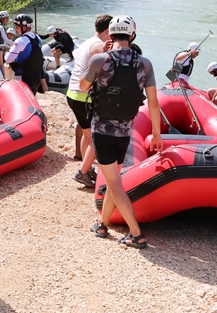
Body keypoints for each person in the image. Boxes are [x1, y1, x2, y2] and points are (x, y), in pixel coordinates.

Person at [80, 15, 162, 249]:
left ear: (110, 34)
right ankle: (102, 224)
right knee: (113, 179)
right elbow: (153, 103)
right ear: (132, 35)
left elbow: (83, 87)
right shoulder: (145, 64)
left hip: (102, 130)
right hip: (125, 131)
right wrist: (156, 134)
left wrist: (99, 62)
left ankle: (136, 234)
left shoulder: (100, 59)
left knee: (114, 182)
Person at [66, 14, 112, 187]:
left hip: (73, 94)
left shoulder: (87, 42)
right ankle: (84, 172)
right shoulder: (99, 46)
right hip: (85, 96)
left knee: (87, 134)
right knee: (97, 137)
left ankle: (86, 168)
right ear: (107, 31)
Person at [4, 14, 46, 95]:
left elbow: (8, 59)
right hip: (37, 77)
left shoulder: (21, 40)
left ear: (24, 28)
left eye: (17, 27)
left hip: (24, 78)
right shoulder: (38, 38)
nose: (15, 29)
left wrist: (7, 53)